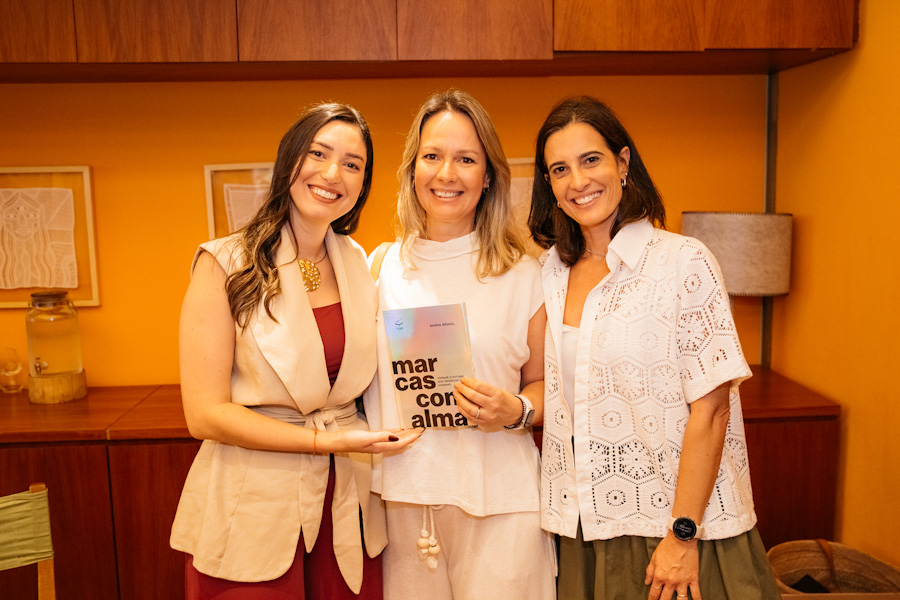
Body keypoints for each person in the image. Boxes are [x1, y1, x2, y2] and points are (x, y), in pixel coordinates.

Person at [528, 96, 781, 600]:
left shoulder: (683, 262)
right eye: (560, 169)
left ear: (623, 163)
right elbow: (552, 393)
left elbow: (712, 410)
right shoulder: (548, 273)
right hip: (583, 525)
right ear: (549, 186)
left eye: (591, 160)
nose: (578, 181)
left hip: (677, 528)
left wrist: (682, 535)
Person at [170, 103, 422, 600]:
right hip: (253, 503)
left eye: (352, 164)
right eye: (318, 154)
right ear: (290, 160)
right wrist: (326, 442)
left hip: (347, 504)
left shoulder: (358, 262)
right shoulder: (225, 263)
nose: (332, 174)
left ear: (363, 184)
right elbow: (204, 415)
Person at [363, 90, 556, 600]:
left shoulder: (523, 273)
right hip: (402, 502)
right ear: (413, 169)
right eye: (432, 155)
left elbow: (546, 385)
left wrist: (515, 410)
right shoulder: (380, 268)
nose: (447, 173)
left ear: (488, 176)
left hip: (502, 504)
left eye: (466, 159)